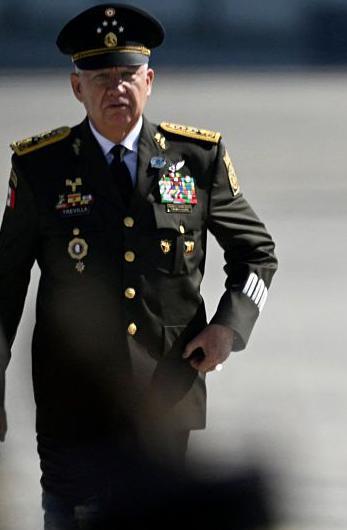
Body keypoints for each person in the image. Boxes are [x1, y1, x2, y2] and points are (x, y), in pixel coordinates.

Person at [0, 4, 277, 528]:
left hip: (164, 392)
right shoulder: (42, 167)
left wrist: (227, 328)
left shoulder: (195, 160)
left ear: (149, 81)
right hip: (71, 395)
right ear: (76, 88)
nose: (116, 89)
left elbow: (257, 255)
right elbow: (5, 283)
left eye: (127, 75)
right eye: (100, 77)